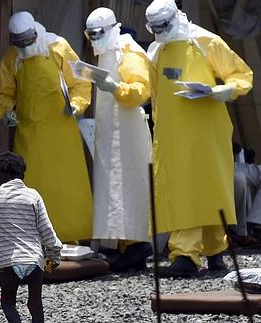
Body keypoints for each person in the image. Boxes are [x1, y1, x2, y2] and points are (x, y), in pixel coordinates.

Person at [145, 0, 253, 277]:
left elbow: (241, 74)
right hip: (172, 134)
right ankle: (197, 252)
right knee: (183, 189)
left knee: (208, 187)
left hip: (207, 130)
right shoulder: (156, 50)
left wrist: (224, 91)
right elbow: (156, 95)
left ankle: (201, 252)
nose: (158, 32)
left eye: (162, 27)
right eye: (154, 28)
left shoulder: (206, 41)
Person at [0, 11, 93, 242]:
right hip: (30, 135)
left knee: (68, 187)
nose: (25, 47)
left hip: (63, 132)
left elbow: (81, 81)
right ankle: (35, 239)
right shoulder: (12, 58)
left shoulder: (59, 47)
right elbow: (0, 93)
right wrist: (7, 112)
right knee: (33, 189)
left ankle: (72, 236)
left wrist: (76, 104)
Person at [85, 8, 153, 272]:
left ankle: (137, 244)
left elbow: (141, 90)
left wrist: (115, 88)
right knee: (114, 186)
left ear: (112, 28)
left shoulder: (128, 50)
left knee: (129, 186)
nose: (93, 39)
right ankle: (126, 246)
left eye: (97, 34)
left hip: (128, 132)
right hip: (112, 132)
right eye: (89, 35)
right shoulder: (107, 51)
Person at [0, 152, 62, 323]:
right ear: (21, 174)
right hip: (34, 260)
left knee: (8, 303)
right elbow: (46, 230)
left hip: (11, 261)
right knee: (35, 303)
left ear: (0, 174)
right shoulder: (33, 195)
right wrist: (54, 256)